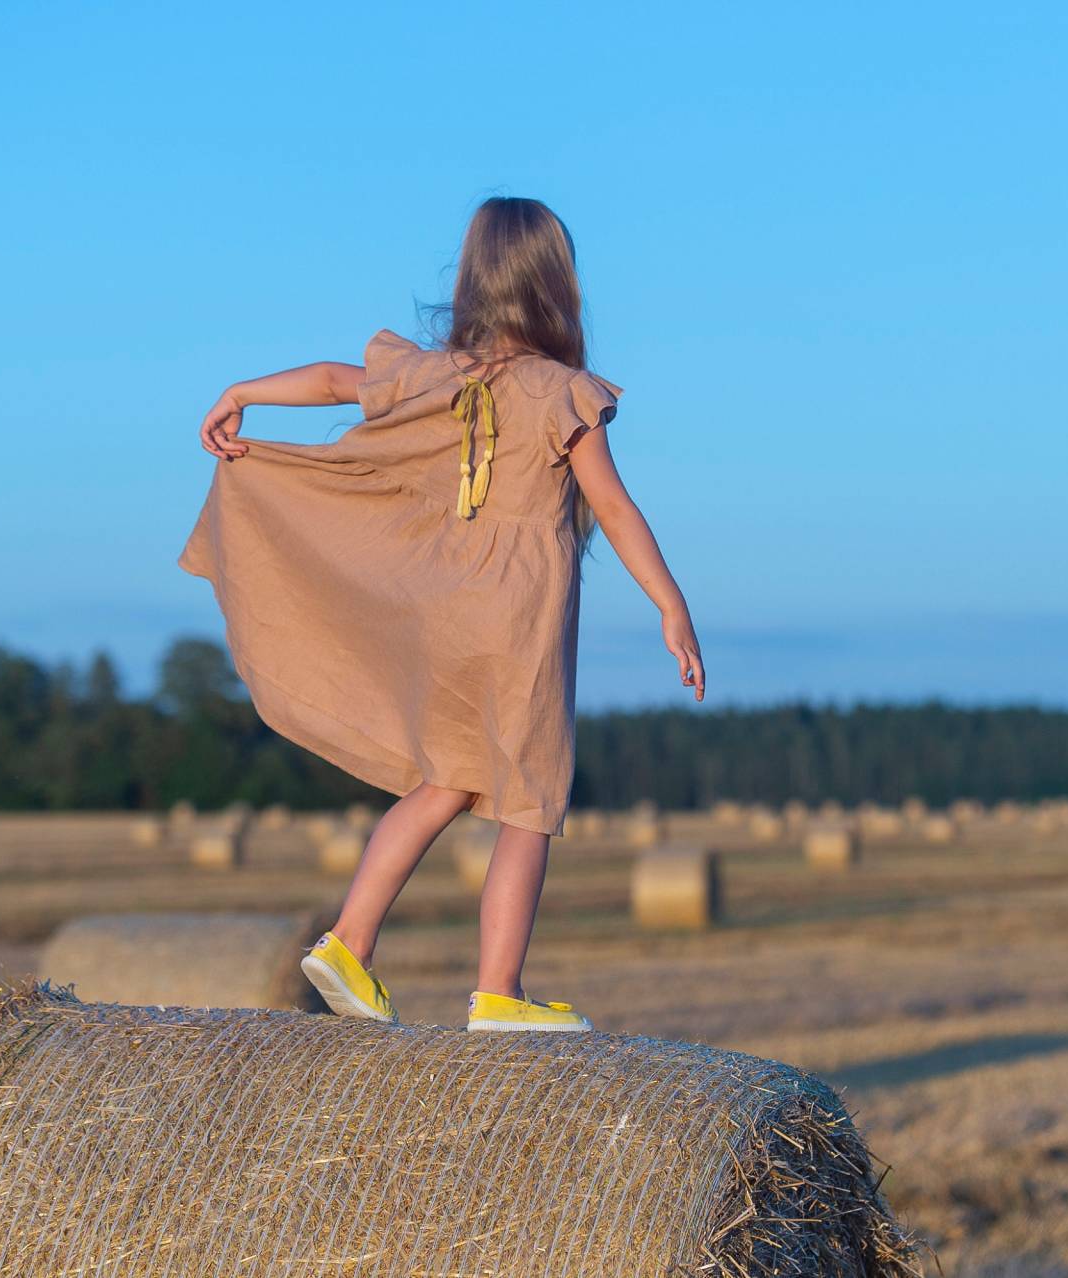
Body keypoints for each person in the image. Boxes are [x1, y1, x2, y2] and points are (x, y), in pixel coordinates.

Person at [181, 196, 703, 1032]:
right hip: (518, 621)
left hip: (446, 612)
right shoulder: (563, 393)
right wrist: (671, 607)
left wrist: (242, 391)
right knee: (529, 800)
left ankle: (350, 941)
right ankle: (500, 992)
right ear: (557, 286)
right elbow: (613, 506)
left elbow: (328, 381)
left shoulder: (432, 375)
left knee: (448, 780)